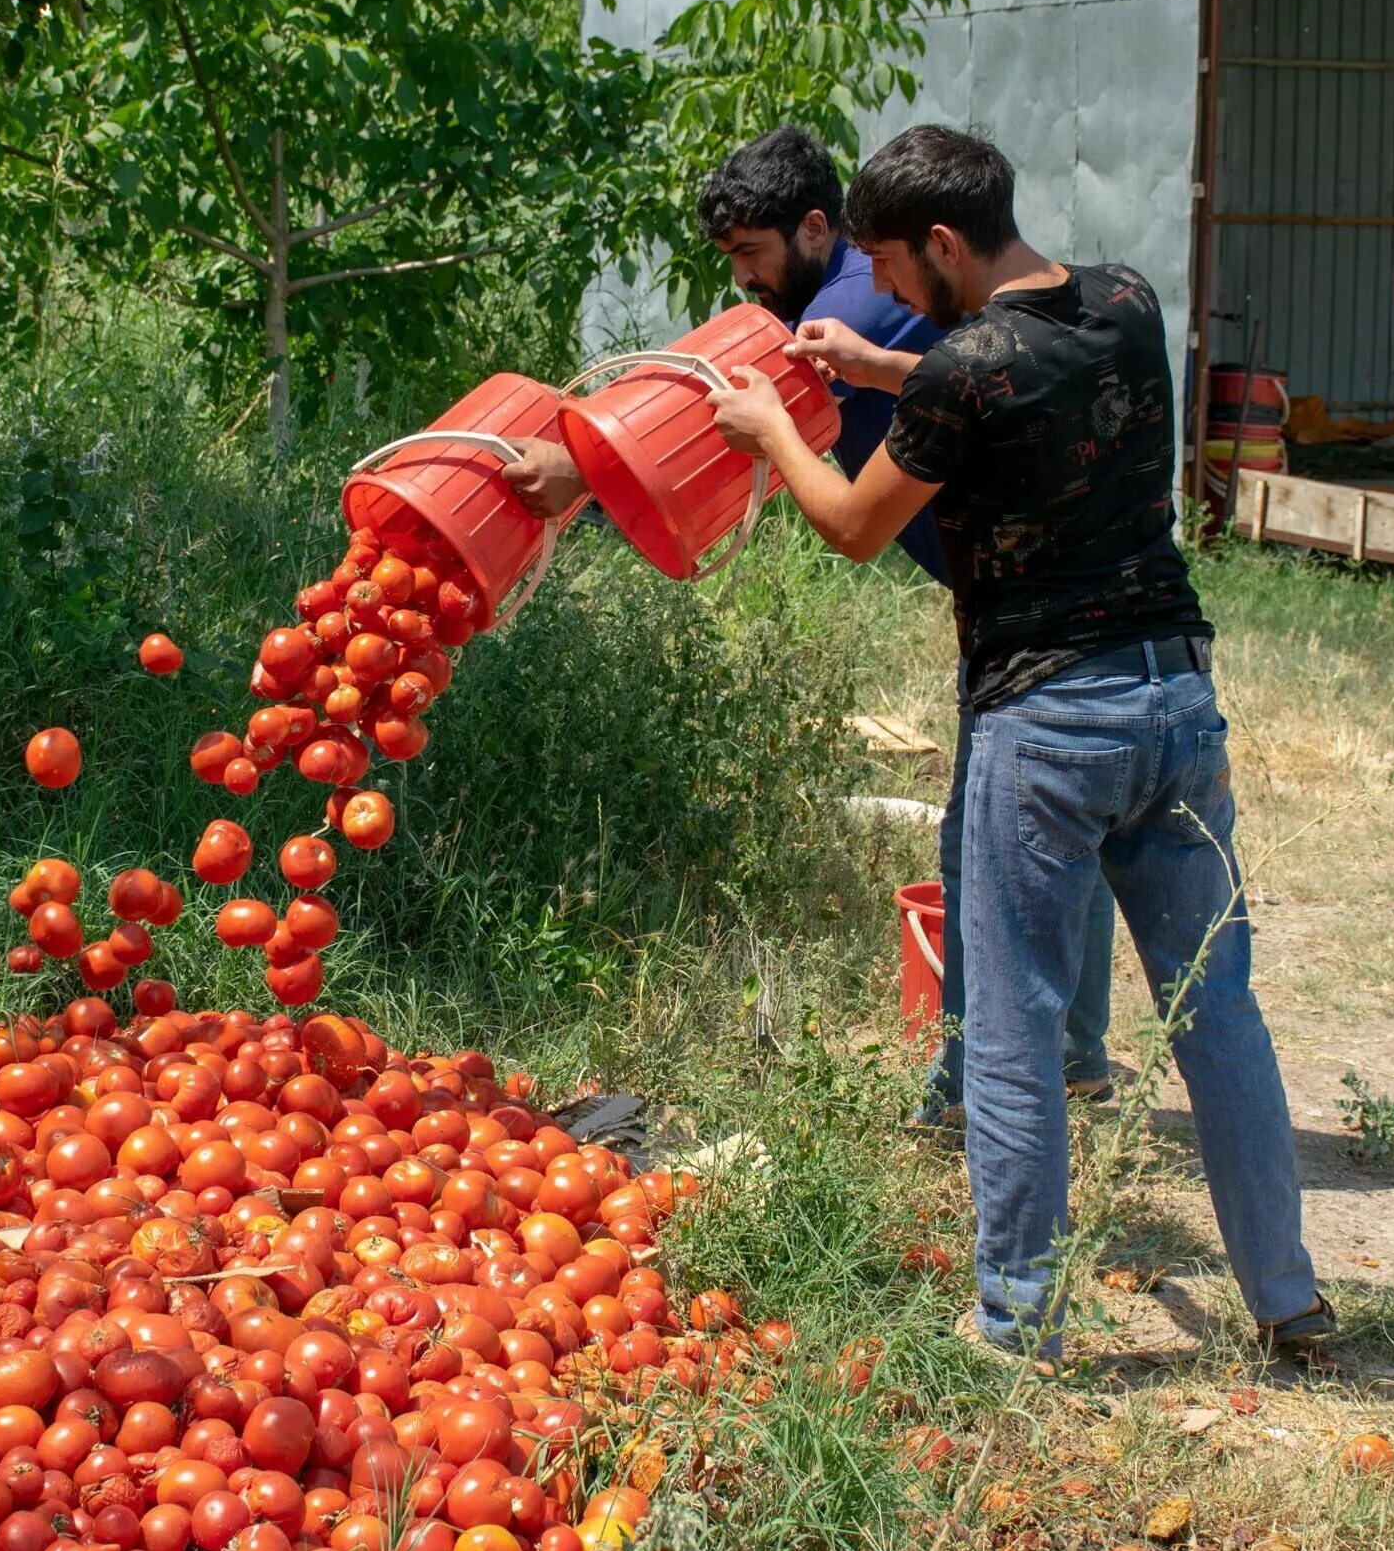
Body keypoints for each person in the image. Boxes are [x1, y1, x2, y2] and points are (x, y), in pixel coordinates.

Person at [705, 124, 1328, 1359]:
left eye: (889, 267)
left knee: (1014, 1027)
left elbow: (851, 525)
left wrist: (773, 429)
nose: (878, 294)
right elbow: (1008, 385)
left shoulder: (958, 374)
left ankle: (1016, 1325)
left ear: (942, 245)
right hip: (1176, 708)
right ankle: (1291, 1301)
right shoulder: (1125, 301)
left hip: (1048, 725)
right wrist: (875, 372)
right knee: (1220, 1014)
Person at [504, 125, 1119, 1123]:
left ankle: (970, 1095)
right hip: (1024, 593)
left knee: (994, 846)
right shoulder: (853, 303)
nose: (744, 283)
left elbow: (749, 431)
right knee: (1067, 832)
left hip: (1031, 612)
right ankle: (1077, 1055)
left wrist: (576, 473)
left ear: (820, 230)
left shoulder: (855, 295)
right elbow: (718, 379)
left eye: (752, 256)